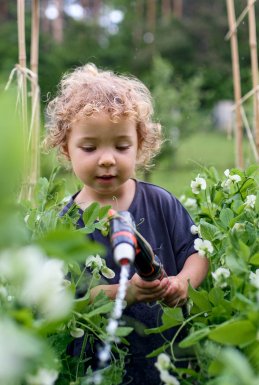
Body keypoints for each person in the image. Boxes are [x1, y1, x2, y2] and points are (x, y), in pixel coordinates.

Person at [44, 63, 209, 384]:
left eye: (121, 146)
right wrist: (126, 292)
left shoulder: (160, 202)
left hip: (170, 360)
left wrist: (183, 284)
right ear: (66, 149)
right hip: (102, 368)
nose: (107, 159)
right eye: (90, 147)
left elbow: (196, 252)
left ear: (140, 143)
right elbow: (67, 301)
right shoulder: (65, 226)